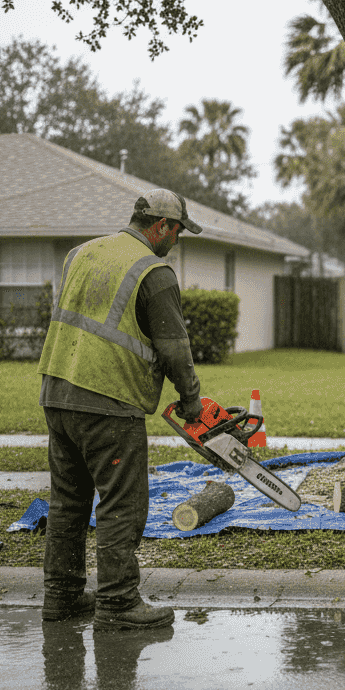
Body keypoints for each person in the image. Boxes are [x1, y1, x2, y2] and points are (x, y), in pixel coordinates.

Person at [37, 189, 204, 629]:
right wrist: (192, 402)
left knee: (68, 501)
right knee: (121, 504)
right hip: (108, 402)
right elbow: (175, 350)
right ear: (161, 226)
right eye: (177, 231)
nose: (177, 240)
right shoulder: (154, 271)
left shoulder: (82, 253)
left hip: (58, 390)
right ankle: (117, 603)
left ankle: (62, 596)